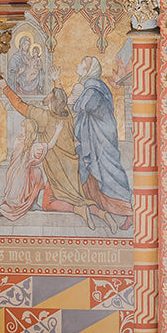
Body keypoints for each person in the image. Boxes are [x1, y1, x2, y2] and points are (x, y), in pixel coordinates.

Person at [1, 83, 99, 228]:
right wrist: (56, 82)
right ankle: (99, 212)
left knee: (47, 204)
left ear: (53, 103)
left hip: (57, 173)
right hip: (71, 172)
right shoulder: (67, 116)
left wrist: (5, 88)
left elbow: (20, 105)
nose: (47, 96)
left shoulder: (44, 117)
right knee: (74, 198)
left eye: (50, 95)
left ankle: (79, 210)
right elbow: (61, 100)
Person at [71, 56, 134, 230]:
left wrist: (74, 101)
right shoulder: (91, 87)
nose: (78, 65)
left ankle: (128, 212)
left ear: (89, 69)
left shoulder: (94, 89)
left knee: (110, 171)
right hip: (94, 138)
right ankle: (97, 206)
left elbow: (82, 106)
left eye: (81, 63)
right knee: (91, 170)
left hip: (102, 140)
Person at [0, 118, 48, 220]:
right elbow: (47, 147)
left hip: (16, 173)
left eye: (23, 128)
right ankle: (12, 207)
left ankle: (33, 203)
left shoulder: (21, 141)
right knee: (13, 204)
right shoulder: (26, 143)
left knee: (37, 172)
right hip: (18, 176)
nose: (21, 130)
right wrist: (58, 131)